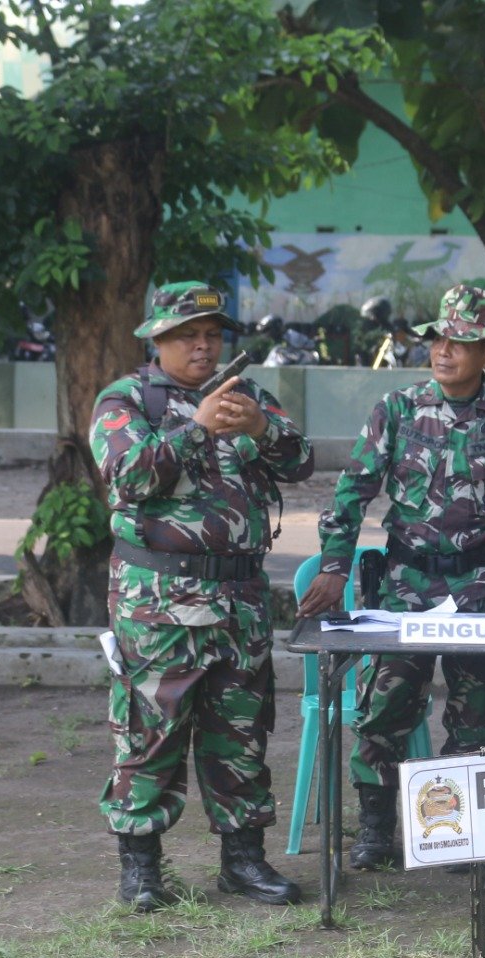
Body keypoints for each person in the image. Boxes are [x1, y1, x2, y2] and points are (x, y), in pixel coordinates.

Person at [296, 283, 485, 870]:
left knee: (475, 711)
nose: (444, 351)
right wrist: (336, 568)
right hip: (404, 587)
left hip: (484, 585)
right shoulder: (395, 410)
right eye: (438, 339)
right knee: (385, 706)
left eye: (461, 342)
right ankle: (375, 829)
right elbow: (350, 496)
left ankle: (456, 835)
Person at [92, 280, 314, 912]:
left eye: (213, 335)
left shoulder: (247, 395)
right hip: (159, 599)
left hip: (239, 596)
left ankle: (243, 862)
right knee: (151, 731)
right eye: (189, 335)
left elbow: (302, 462)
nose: (203, 345)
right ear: (157, 339)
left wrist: (264, 426)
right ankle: (141, 870)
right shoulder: (126, 400)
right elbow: (129, 476)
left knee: (239, 730)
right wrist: (195, 426)